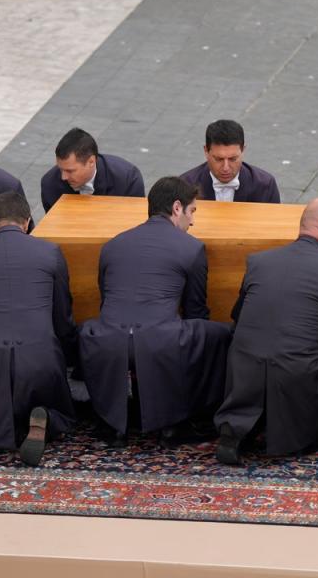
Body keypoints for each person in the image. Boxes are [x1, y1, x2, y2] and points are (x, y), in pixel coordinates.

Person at [215, 197, 318, 464]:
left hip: (244, 369)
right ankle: (308, 430)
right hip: (296, 376)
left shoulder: (259, 262)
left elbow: (238, 316)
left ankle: (235, 431)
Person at [80, 177, 230, 445]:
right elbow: (196, 311)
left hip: (106, 340)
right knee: (218, 334)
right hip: (160, 341)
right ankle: (182, 420)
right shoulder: (192, 247)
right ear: (176, 208)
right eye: (192, 211)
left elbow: (106, 299)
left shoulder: (113, 244)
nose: (192, 221)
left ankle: (113, 423)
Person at [0, 192, 77, 466]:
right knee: (55, 401)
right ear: (27, 223)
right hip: (39, 353)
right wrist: (68, 357)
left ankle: (7, 429)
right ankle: (44, 418)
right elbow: (63, 316)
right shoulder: (51, 253)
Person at [40, 127, 145, 213]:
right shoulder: (50, 184)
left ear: (91, 161)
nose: (63, 177)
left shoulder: (128, 179)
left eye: (70, 171)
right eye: (61, 169)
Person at [180, 119, 280, 203]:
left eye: (233, 159)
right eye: (218, 159)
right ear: (206, 151)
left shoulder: (265, 185)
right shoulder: (185, 186)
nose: (225, 168)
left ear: (243, 150)